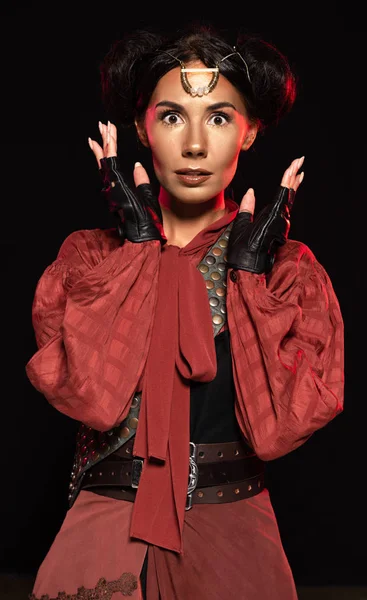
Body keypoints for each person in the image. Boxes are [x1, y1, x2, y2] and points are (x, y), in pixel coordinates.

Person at [25, 22, 344, 600]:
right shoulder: (90, 258)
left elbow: (281, 429)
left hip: (232, 524)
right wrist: (140, 251)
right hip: (108, 520)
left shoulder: (287, 274)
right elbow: (89, 397)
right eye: (172, 116)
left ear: (250, 133)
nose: (195, 143)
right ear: (142, 127)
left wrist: (249, 279)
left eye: (219, 118)